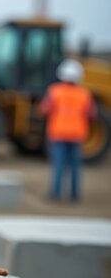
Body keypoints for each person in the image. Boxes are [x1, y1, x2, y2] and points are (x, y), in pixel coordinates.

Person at [41, 59, 96, 201]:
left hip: (58, 133)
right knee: (74, 166)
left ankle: (55, 193)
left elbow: (45, 110)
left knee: (59, 165)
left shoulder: (54, 91)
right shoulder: (84, 94)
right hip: (77, 134)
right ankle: (74, 194)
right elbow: (92, 114)